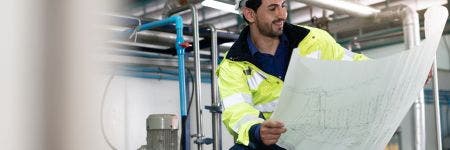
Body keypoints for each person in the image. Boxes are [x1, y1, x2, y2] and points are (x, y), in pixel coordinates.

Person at [216, 0, 368, 149]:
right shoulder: (232, 66)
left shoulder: (315, 41)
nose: (282, 14)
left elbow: (352, 64)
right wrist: (257, 129)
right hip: (272, 144)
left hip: (319, 139)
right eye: (272, 8)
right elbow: (237, 111)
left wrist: (386, 71)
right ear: (250, 14)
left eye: (283, 6)